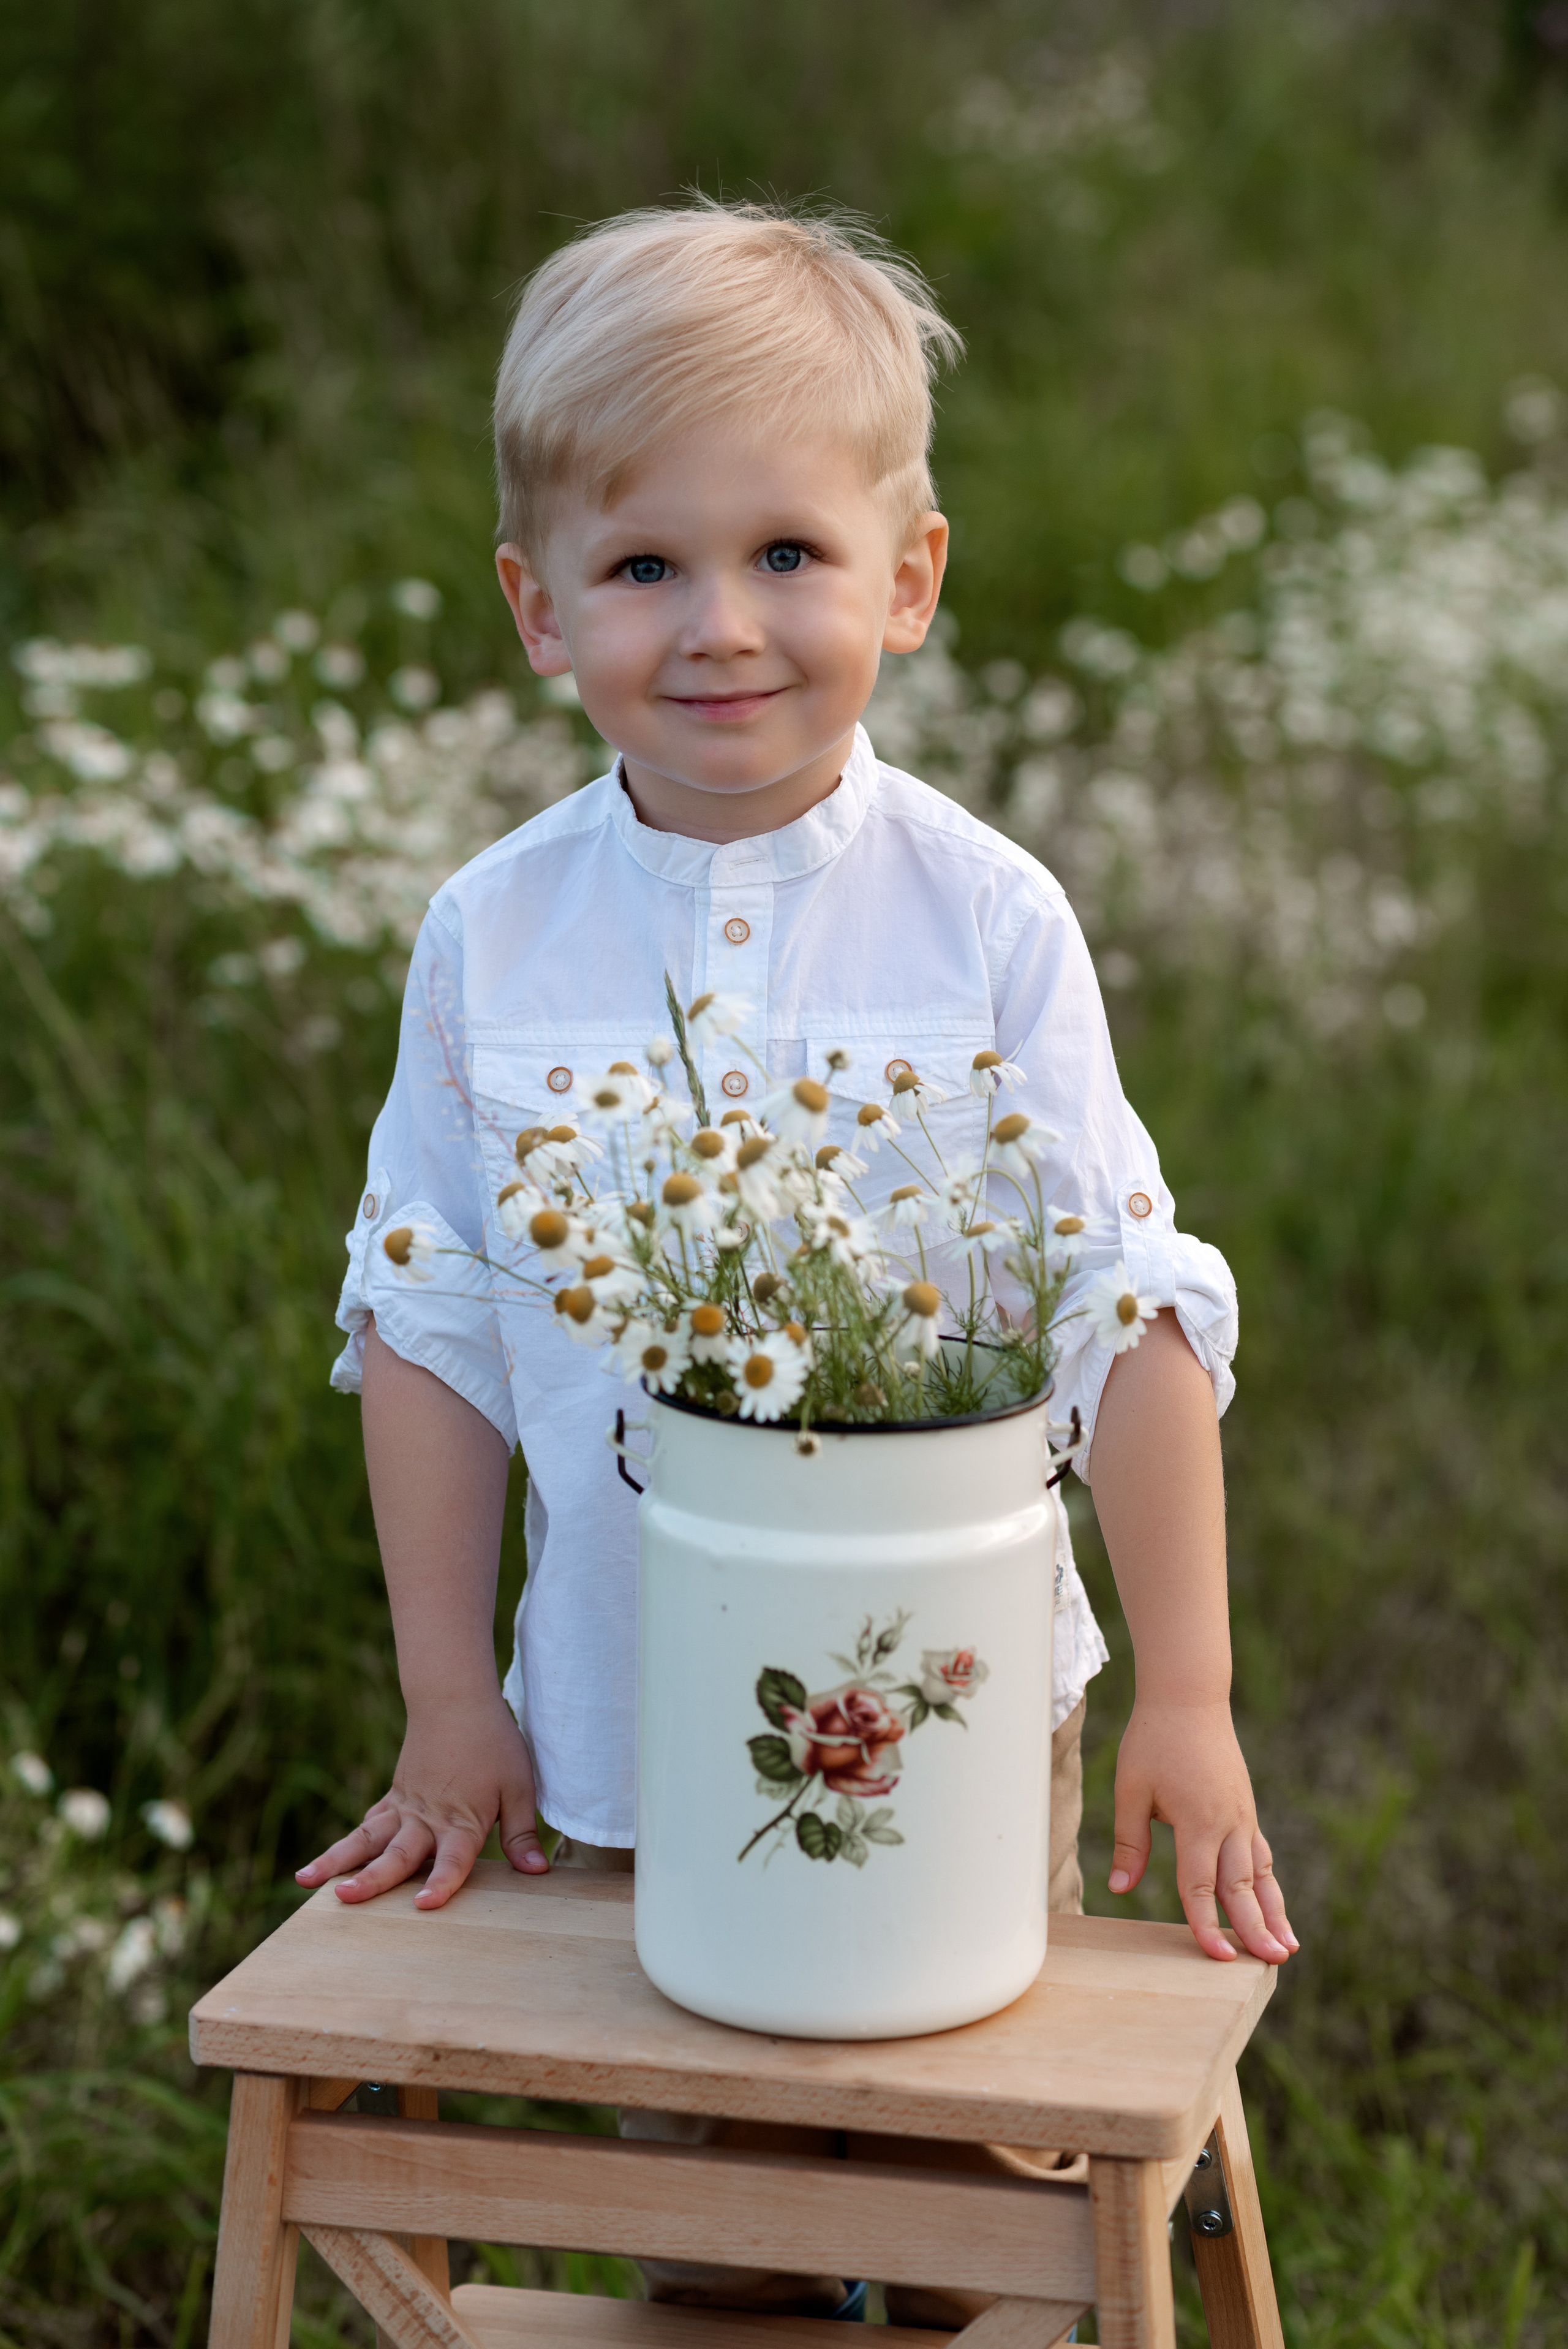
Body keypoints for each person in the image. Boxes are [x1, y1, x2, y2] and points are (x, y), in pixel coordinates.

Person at [298, 199, 1296, 2321]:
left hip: (955, 1706)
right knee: (713, 2227)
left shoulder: (983, 916)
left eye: (789, 555)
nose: (722, 623)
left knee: (962, 2197)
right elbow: (434, 1314)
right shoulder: (497, 932)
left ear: (907, 578)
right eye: (646, 563)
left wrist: (1188, 1691)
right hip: (643, 1712)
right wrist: (449, 1693)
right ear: (538, 609)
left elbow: (1119, 1299)